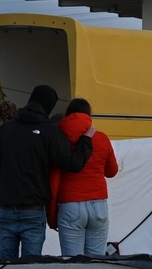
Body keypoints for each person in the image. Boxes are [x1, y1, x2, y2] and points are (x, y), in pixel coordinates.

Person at [0, 84, 95, 259]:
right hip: (34, 210)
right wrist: (87, 140)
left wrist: (7, 186)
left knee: (3, 268)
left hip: (7, 209)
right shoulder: (50, 132)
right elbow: (74, 163)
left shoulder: (6, 129)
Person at [50, 98, 118, 257]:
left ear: (68, 114)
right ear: (89, 115)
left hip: (70, 205)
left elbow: (53, 175)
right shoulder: (101, 138)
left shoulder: (59, 138)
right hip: (98, 205)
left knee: (73, 263)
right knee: (96, 261)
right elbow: (112, 171)